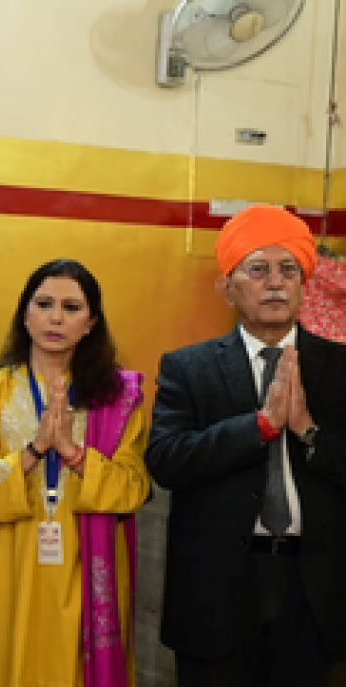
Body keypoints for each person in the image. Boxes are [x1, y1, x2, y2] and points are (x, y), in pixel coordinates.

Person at [146, 204, 346, 687]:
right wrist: (258, 426)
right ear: (227, 288)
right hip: (216, 593)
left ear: (303, 285)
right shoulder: (188, 368)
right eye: (258, 270)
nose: (275, 283)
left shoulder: (339, 368)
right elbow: (166, 460)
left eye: (288, 270)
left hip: (313, 592)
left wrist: (306, 430)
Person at [0, 258, 150, 686]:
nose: (56, 317)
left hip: (86, 566)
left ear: (91, 322)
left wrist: (74, 455)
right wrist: (35, 450)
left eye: (71, 307)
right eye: (43, 303)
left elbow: (133, 488)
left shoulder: (116, 398)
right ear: (25, 315)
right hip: (9, 568)